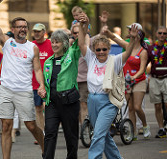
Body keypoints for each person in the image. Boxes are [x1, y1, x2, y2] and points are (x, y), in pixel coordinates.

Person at [0, 1, 46, 158]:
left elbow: (37, 69)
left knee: (31, 125)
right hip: (5, 90)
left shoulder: (32, 47)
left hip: (24, 91)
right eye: (19, 26)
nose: (23, 29)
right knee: (6, 126)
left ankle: (46, 149)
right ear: (13, 29)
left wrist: (42, 85)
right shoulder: (7, 42)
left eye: (25, 26)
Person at [78, 13, 138, 159]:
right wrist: (81, 26)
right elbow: (81, 43)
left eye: (104, 49)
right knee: (103, 134)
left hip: (108, 102)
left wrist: (133, 38)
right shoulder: (91, 58)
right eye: (98, 49)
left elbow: (128, 51)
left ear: (109, 49)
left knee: (97, 134)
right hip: (92, 100)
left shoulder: (115, 60)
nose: (101, 52)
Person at [104, 23, 151, 140]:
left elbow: (142, 69)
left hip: (139, 80)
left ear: (138, 35)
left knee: (137, 107)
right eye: (129, 30)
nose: (129, 32)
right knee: (129, 108)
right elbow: (114, 38)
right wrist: (106, 29)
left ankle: (145, 125)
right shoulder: (127, 46)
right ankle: (133, 132)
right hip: (127, 81)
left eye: (132, 30)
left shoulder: (143, 51)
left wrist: (134, 77)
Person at [42, 29, 81, 159]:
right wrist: (42, 90)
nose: (54, 44)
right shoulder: (48, 62)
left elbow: (80, 42)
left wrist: (82, 25)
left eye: (57, 42)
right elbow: (47, 82)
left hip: (69, 102)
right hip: (52, 103)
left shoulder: (72, 55)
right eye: (52, 42)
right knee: (49, 134)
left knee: (71, 136)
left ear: (64, 43)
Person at [32, 23, 54, 144]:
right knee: (38, 108)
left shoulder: (50, 44)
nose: (36, 33)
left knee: (48, 107)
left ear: (44, 32)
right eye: (35, 31)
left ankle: (49, 131)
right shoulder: (31, 45)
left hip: (49, 82)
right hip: (35, 82)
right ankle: (41, 134)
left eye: (39, 31)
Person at [147, 26, 167, 138]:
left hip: (166, 77)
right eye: (160, 33)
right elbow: (145, 63)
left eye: (164, 33)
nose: (162, 35)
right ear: (156, 34)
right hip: (154, 78)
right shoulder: (151, 48)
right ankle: (161, 128)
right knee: (157, 105)